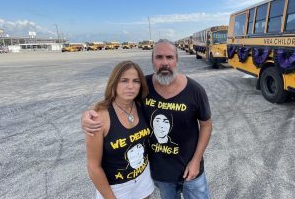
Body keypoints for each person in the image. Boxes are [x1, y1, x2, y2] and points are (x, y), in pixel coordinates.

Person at [83, 39, 213, 199]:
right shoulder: (143, 87)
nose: (164, 63)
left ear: (176, 60)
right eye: (159, 57)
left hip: (192, 171)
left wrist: (196, 160)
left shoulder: (195, 90)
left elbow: (206, 125)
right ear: (152, 61)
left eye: (169, 57)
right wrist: (88, 114)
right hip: (160, 174)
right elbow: (116, 100)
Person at [85, 60, 154, 199]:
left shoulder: (142, 107)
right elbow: (93, 167)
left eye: (136, 81)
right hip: (116, 189)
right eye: (124, 80)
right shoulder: (99, 117)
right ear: (114, 82)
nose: (130, 86)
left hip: (143, 180)